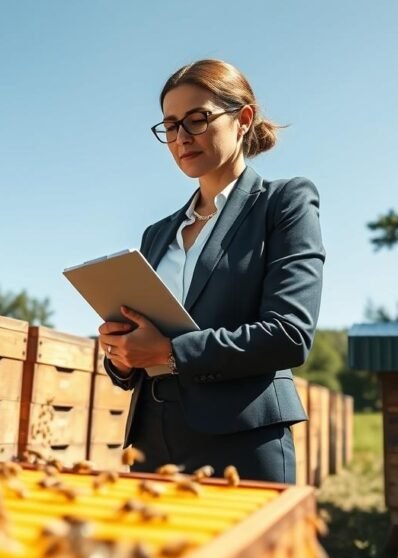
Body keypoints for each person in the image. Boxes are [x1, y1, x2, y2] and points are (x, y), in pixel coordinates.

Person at [97, 59, 325, 483]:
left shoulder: (284, 203)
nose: (181, 137)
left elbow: (289, 335)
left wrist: (168, 352)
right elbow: (143, 343)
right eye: (170, 126)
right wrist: (122, 355)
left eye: (197, 120)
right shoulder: (157, 233)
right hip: (150, 443)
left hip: (242, 445)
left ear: (243, 119)